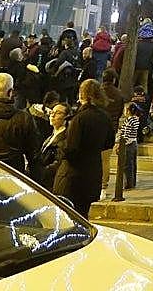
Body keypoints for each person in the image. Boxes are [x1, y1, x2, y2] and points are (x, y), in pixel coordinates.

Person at [54, 79, 115, 215]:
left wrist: (60, 145)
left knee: (68, 217)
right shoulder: (105, 117)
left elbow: (71, 150)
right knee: (83, 215)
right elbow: (108, 143)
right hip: (92, 174)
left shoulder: (79, 118)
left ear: (82, 95)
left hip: (73, 177)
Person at [38, 102, 70, 190]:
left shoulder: (65, 137)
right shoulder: (50, 136)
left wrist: (41, 172)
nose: (53, 115)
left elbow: (58, 162)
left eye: (58, 113)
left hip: (52, 182)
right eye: (52, 112)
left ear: (66, 117)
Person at [117, 102, 142, 193]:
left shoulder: (129, 120)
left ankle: (128, 184)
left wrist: (120, 145)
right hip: (134, 142)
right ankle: (132, 182)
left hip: (128, 144)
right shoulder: (136, 119)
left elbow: (125, 134)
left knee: (127, 165)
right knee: (132, 165)